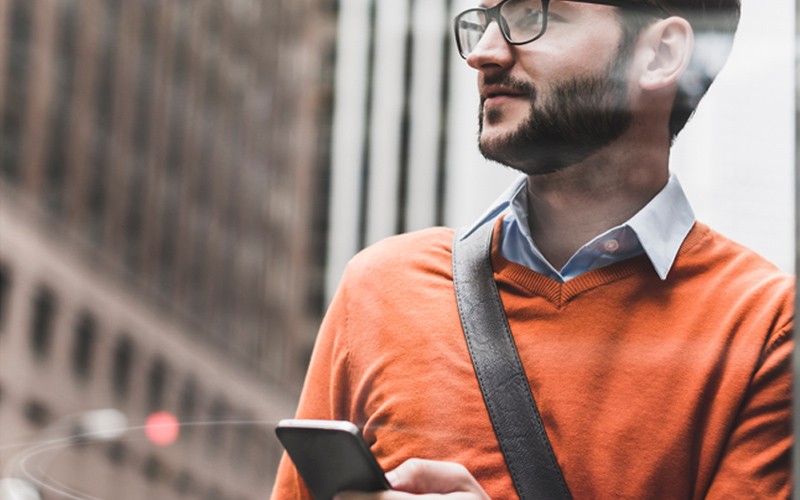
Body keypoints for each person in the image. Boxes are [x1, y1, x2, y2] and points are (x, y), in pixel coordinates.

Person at [272, 0, 793, 498]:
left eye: (532, 16)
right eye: (485, 21)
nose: (483, 53)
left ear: (660, 54)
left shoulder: (768, 327)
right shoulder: (381, 288)